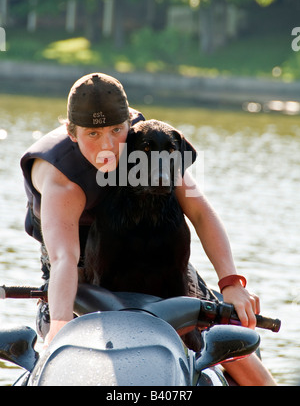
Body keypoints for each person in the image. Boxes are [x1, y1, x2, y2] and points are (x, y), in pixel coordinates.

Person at [20, 72, 276, 386]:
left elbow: (200, 211)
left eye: (116, 129)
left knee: (235, 349)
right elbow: (64, 261)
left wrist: (232, 283)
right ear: (72, 132)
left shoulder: (148, 141)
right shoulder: (63, 180)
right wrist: (58, 328)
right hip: (77, 272)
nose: (110, 145)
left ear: (129, 121)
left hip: (155, 259)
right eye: (93, 135)